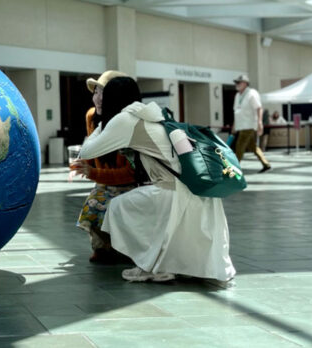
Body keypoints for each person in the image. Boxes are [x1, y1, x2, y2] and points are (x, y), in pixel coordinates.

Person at [79, 77, 236, 283]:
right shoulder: (150, 113)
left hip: (172, 190)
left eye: (103, 95)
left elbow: (86, 150)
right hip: (191, 187)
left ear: (111, 100)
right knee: (131, 205)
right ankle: (160, 261)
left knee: (117, 207)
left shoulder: (124, 120)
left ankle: (151, 262)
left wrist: (101, 123)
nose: (98, 99)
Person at [71, 70, 136, 264]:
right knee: (95, 200)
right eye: (96, 92)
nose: (97, 99)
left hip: (133, 183)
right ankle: (104, 248)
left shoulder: (127, 124)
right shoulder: (92, 117)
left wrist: (93, 172)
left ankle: (124, 248)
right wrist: (84, 164)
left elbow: (131, 173)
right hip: (105, 182)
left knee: (106, 201)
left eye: (103, 93)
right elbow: (93, 152)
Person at [232, 74, 271, 173]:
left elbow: (259, 108)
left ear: (245, 83)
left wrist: (260, 122)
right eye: (236, 82)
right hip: (241, 125)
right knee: (253, 147)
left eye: (238, 82)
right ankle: (266, 164)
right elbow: (237, 112)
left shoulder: (252, 93)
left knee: (239, 145)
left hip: (248, 125)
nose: (236, 84)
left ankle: (234, 168)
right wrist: (234, 125)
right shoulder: (237, 95)